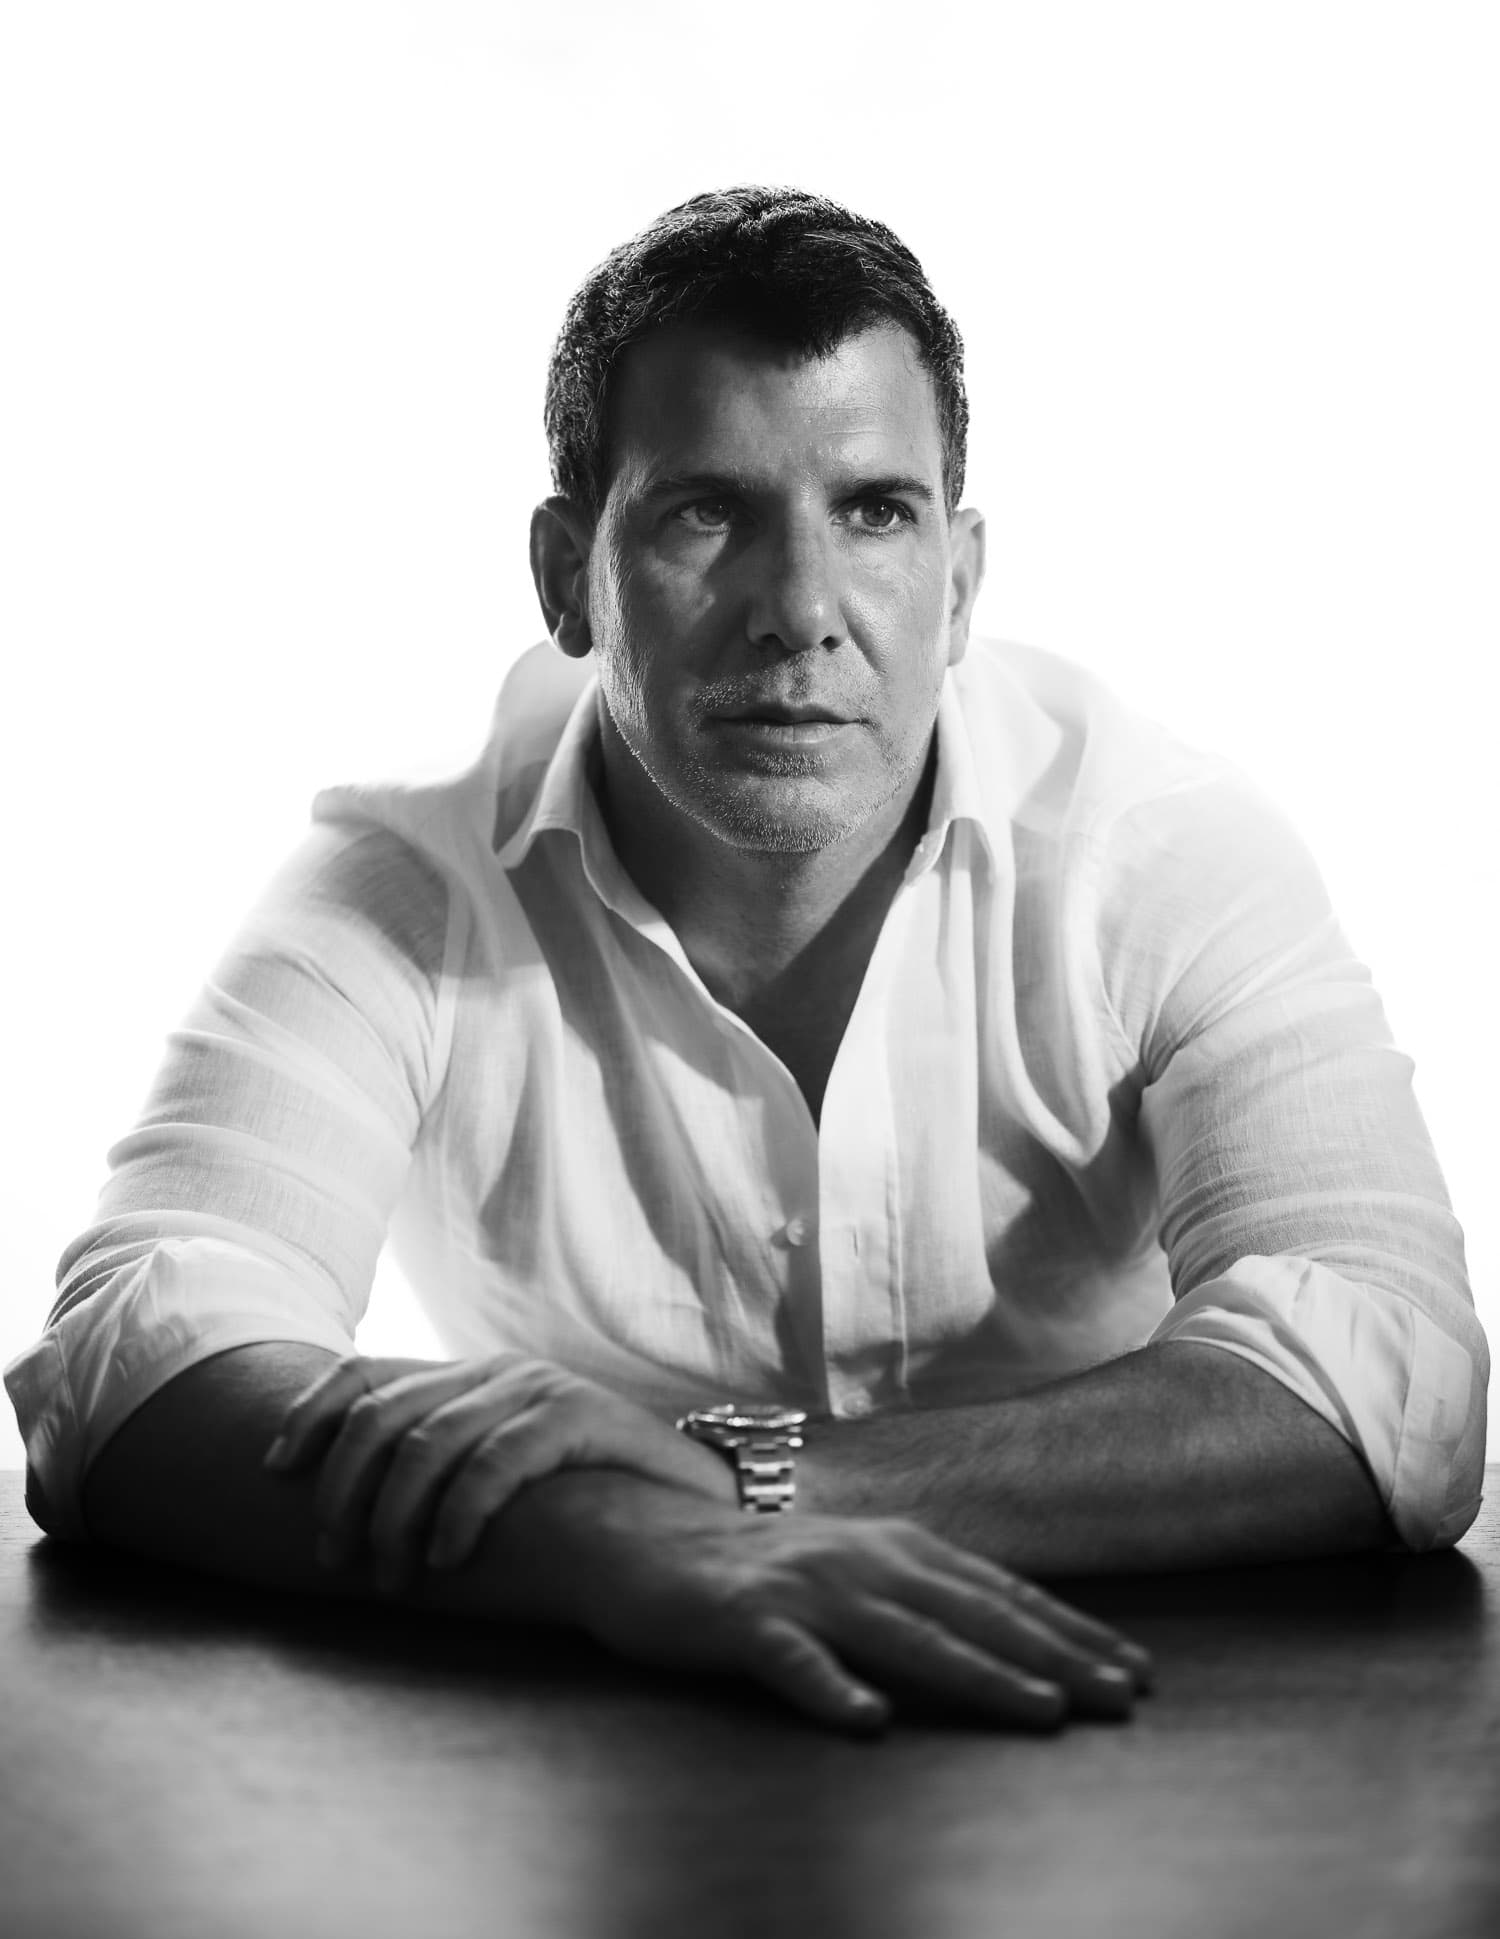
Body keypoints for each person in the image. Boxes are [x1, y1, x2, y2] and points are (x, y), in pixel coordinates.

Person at [7, 187, 1487, 1736]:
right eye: (708, 512)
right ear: (569, 573)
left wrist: (733, 1484)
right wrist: (604, 1543)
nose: (799, 613)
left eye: (875, 513)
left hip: (1129, 1739)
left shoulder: (1164, 854)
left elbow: (1393, 1372)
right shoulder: (399, 896)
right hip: (601, 1748)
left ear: (963, 581)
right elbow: (131, 1361)